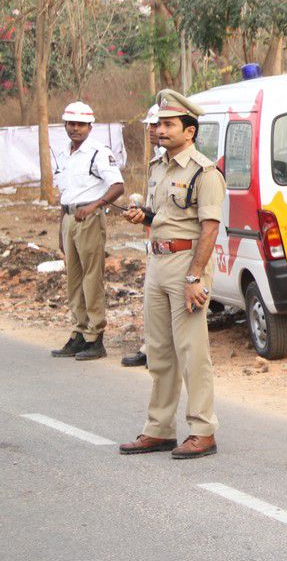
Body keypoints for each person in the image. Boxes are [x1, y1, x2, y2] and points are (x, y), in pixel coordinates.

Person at [118, 90, 225, 460]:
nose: (160, 130)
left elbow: (209, 229)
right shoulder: (158, 167)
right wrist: (142, 217)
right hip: (158, 263)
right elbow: (160, 216)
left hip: (187, 266)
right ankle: (160, 429)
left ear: (189, 131)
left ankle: (202, 430)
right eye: (158, 124)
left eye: (168, 124)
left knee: (192, 352)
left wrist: (195, 277)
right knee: (160, 351)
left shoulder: (205, 172)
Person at [50, 101, 125, 361]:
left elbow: (117, 186)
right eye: (71, 124)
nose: (75, 129)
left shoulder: (98, 152)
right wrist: (61, 228)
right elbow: (64, 193)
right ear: (65, 125)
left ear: (90, 127)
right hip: (69, 216)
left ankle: (95, 336)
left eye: (80, 124)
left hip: (89, 218)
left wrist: (95, 206)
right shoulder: (63, 153)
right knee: (74, 278)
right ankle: (79, 332)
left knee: (92, 278)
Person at [123, 104, 162, 368]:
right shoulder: (156, 160)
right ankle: (150, 348)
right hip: (156, 238)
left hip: (175, 243)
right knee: (151, 300)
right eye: (151, 125)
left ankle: (160, 353)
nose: (152, 130)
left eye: (158, 125)